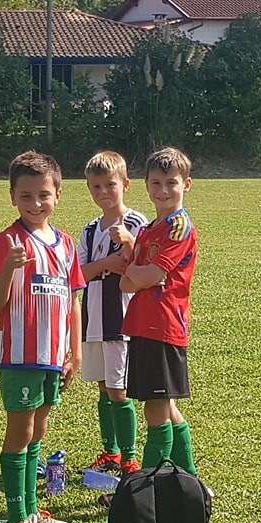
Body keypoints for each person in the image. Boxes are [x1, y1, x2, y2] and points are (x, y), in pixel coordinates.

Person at [0, 150, 85, 523]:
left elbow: (74, 301)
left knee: (39, 430)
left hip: (54, 356)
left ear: (57, 194)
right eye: (26, 196)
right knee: (21, 431)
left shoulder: (65, 243)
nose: (35, 203)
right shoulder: (8, 241)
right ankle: (14, 522)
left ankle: (30, 508)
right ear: (12, 197)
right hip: (21, 355)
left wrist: (74, 354)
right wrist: (8, 267)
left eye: (43, 195)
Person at [120, 147, 199, 474]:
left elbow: (151, 275)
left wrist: (139, 275)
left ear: (187, 185)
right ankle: (190, 479)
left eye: (171, 183)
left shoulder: (178, 227)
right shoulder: (149, 229)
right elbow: (127, 282)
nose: (163, 191)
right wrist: (138, 275)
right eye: (156, 183)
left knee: (156, 407)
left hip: (163, 326)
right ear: (146, 185)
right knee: (165, 405)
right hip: (143, 324)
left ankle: (145, 486)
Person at [75, 150, 149, 475]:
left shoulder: (136, 223)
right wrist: (105, 264)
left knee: (119, 389)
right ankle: (111, 452)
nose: (103, 192)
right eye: (96, 187)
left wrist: (131, 245)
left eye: (109, 185)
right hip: (93, 319)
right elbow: (77, 274)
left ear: (125, 185)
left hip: (121, 321)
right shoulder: (90, 230)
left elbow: (145, 268)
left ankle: (130, 458)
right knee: (103, 387)